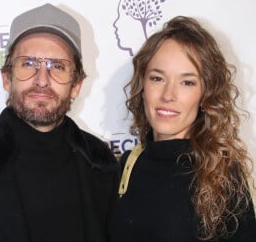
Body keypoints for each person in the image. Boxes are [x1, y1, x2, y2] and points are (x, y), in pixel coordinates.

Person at [0, 3, 119, 242]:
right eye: (29, 64)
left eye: (58, 66)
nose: (42, 80)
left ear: (76, 85)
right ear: (6, 79)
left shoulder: (104, 170)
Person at [108, 16, 256, 241]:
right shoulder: (127, 166)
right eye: (157, 78)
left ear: (206, 94)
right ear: (142, 85)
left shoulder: (223, 176)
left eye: (187, 82)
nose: (168, 95)